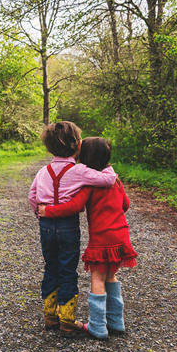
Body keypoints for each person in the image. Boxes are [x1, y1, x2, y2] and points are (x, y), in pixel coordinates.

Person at [39, 137, 137, 340]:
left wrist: (49, 211)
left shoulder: (90, 185)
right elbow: (125, 205)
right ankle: (116, 322)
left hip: (102, 239)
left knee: (97, 278)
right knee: (111, 277)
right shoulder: (115, 180)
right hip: (121, 236)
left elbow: (74, 206)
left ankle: (97, 326)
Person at [29, 122, 118, 337]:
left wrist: (40, 213)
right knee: (67, 270)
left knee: (51, 267)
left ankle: (50, 315)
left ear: (48, 148)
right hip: (68, 226)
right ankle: (67, 320)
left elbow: (32, 197)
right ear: (77, 145)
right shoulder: (80, 170)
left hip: (46, 226)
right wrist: (109, 167)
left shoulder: (43, 171)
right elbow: (108, 180)